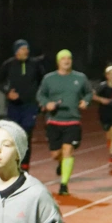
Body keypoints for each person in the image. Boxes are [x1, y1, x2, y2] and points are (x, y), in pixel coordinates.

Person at [36, 50, 91, 196]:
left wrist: (86, 101)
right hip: (54, 121)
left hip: (72, 120)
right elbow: (40, 94)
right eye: (63, 59)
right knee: (56, 154)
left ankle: (64, 184)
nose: (66, 61)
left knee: (68, 150)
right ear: (58, 61)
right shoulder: (49, 79)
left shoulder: (80, 78)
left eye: (69, 58)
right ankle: (61, 163)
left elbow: (89, 92)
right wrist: (47, 103)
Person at [0, 39, 46, 169]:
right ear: (16, 51)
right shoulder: (8, 65)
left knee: (26, 135)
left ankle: (24, 167)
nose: (27, 51)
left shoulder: (35, 65)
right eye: (23, 49)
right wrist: (8, 92)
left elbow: (43, 81)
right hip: (14, 106)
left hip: (30, 106)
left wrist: (41, 97)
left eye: (27, 49)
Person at [94, 65, 112, 166]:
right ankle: (109, 143)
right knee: (108, 135)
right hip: (104, 113)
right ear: (107, 76)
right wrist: (102, 100)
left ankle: (111, 155)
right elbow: (93, 95)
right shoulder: (102, 86)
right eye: (111, 74)